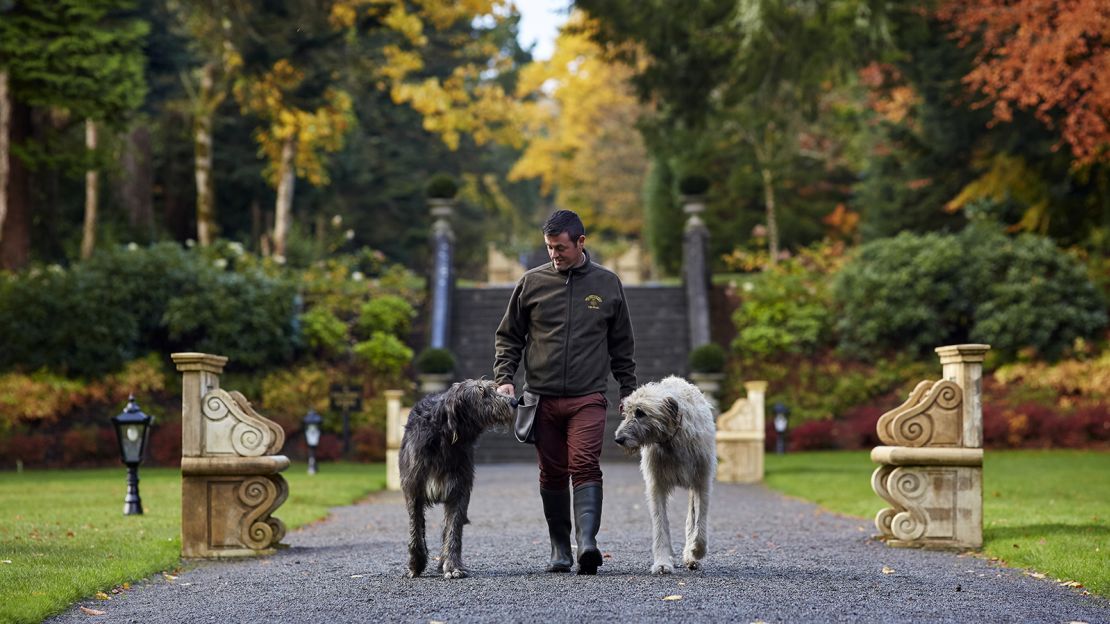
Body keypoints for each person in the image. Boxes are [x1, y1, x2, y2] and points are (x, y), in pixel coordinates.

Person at [494, 209, 637, 575]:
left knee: (585, 463)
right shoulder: (531, 283)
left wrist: (629, 390)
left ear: (581, 242)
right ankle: (560, 548)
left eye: (560, 247)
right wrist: (504, 377)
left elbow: (622, 344)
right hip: (540, 398)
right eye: (549, 248)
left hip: (587, 396)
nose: (553, 254)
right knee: (552, 472)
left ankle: (587, 544)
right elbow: (509, 336)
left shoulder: (607, 284)